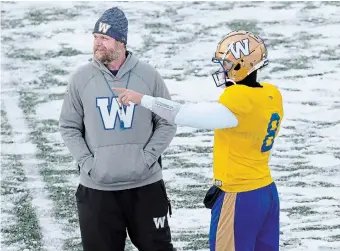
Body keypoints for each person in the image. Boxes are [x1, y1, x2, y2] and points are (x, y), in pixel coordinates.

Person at [114, 30, 284, 251]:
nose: (223, 70)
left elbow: (187, 115)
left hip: (239, 196)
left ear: (240, 65)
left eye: (226, 64)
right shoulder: (271, 95)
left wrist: (143, 99)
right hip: (266, 192)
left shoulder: (239, 99)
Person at [59, 7, 177, 251]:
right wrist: (88, 164)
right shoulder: (81, 79)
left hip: (145, 187)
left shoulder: (148, 75)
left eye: (104, 38)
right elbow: (69, 126)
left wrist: (147, 158)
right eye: (95, 38)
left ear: (121, 41)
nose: (97, 44)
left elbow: (167, 120)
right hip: (98, 191)